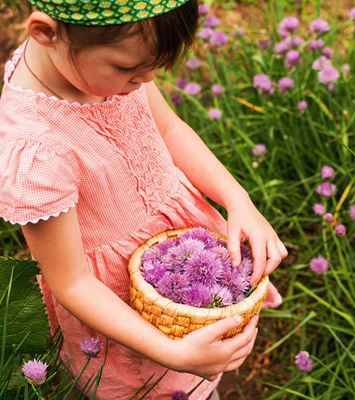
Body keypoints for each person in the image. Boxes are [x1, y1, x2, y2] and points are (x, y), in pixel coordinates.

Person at [0, 0, 286, 398]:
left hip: (177, 250)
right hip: (117, 302)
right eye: (129, 70)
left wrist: (238, 200)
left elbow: (168, 129)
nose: (147, 79)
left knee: (204, 357)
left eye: (152, 68)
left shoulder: (96, 59)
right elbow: (72, 282)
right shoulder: (38, 153)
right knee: (154, 385)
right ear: (45, 33)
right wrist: (173, 352)